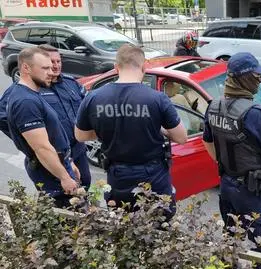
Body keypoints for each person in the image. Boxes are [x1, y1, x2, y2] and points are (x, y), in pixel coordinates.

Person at [75, 44, 187, 217]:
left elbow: (80, 135)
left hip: (118, 175)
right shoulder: (157, 99)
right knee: (160, 225)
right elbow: (181, 137)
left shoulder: (94, 97)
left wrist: (108, 130)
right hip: (153, 174)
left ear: (116, 67)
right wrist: (160, 129)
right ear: (143, 67)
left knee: (123, 225)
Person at [202, 52, 261, 268]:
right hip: (254, 193)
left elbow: (208, 142)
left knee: (231, 238)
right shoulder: (256, 114)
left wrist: (224, 164)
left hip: (227, 187)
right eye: (257, 77)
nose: (260, 82)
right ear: (246, 79)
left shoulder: (213, 106)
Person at [5, 47, 79, 207]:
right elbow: (42, 148)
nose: (51, 72)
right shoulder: (26, 102)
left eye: (51, 67)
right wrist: (64, 177)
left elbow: (53, 137)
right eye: (45, 68)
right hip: (49, 171)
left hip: (57, 165)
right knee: (69, 221)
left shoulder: (33, 94)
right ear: (26, 68)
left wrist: (68, 161)